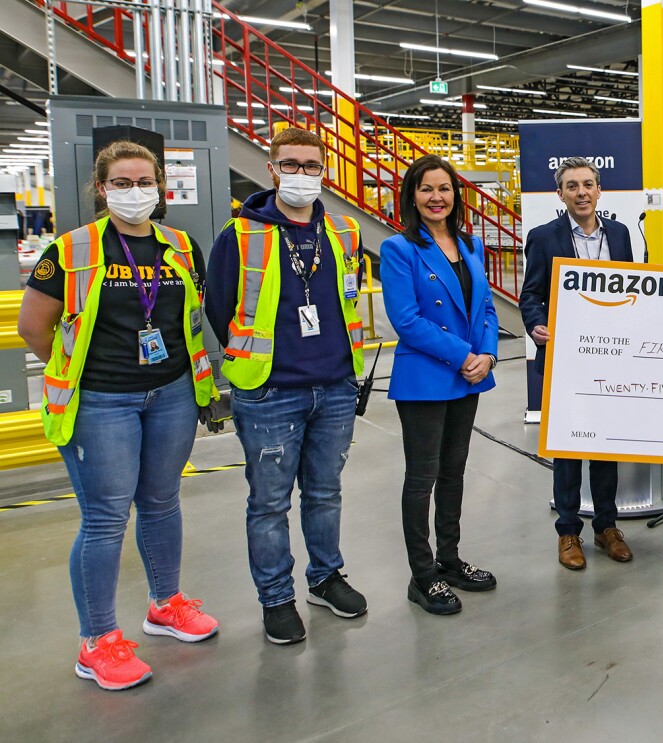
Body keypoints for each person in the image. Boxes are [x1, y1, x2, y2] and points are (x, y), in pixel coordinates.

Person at [17, 141, 220, 691]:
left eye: (145, 182)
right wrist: (81, 370)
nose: (136, 192)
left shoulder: (181, 245)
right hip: (102, 400)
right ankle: (98, 641)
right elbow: (33, 326)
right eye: (122, 183)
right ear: (101, 189)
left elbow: (190, 318)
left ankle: (166, 604)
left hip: (172, 392)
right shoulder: (70, 249)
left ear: (160, 187)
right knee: (106, 518)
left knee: (161, 502)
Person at [206, 127, 368, 644]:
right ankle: (276, 598)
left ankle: (324, 576)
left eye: (311, 166)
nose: (302, 175)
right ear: (272, 170)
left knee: (325, 493)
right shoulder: (241, 235)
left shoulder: (343, 232)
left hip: (336, 386)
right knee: (270, 503)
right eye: (290, 165)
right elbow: (219, 306)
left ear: (324, 172)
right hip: (271, 391)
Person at [380, 155, 500, 615]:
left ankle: (449, 560)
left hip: (469, 375)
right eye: (427, 189)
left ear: (456, 195)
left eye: (445, 189)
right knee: (422, 478)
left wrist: (487, 355)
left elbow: (486, 308)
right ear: (412, 195)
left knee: (454, 472)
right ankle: (423, 575)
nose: (437, 197)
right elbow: (406, 320)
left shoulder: (471, 244)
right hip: (427, 379)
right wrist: (464, 355)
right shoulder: (400, 249)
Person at [520, 157, 636, 570]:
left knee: (605, 447)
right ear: (561, 194)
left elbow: (631, 290)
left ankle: (607, 526)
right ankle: (568, 531)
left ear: (599, 190)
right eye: (572, 186)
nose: (582, 192)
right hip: (566, 358)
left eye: (588, 184)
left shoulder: (620, 235)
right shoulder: (543, 237)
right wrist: (536, 325)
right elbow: (530, 294)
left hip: (610, 356)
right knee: (568, 450)